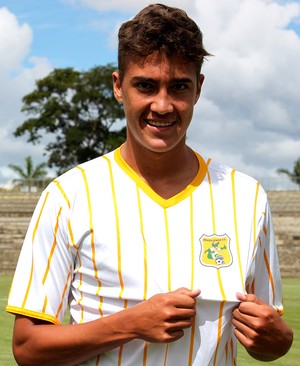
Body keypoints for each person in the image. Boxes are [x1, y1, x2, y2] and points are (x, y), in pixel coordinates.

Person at [6, 3, 293, 365]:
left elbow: (270, 339)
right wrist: (130, 324)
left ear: (198, 88)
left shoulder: (247, 198)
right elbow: (28, 348)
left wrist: (279, 339)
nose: (162, 105)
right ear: (118, 87)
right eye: (145, 85)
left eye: (179, 87)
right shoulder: (68, 195)